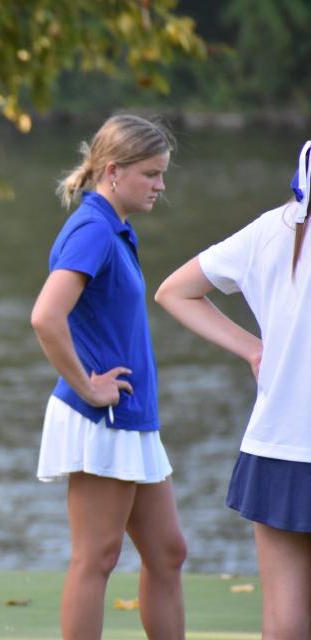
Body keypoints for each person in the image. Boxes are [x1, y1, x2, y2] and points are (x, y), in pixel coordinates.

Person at [29, 114, 187, 639]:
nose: (160, 186)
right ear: (114, 171)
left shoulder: (113, 227)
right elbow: (45, 316)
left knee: (168, 552)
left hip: (132, 417)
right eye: (152, 174)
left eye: (162, 174)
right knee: (97, 557)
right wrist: (87, 384)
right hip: (103, 414)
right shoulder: (94, 228)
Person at [155, 141, 311, 639]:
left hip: (278, 444)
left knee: (283, 619)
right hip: (279, 443)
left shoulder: (272, 229)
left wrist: (254, 350)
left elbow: (173, 290)